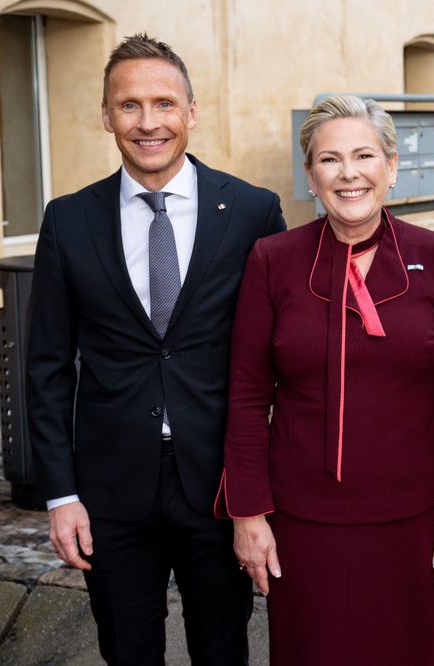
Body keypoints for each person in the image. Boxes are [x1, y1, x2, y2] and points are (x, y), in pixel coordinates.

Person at [26, 34, 286, 664]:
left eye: (164, 104)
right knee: (126, 650)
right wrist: (61, 496)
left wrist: (267, 487)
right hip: (109, 490)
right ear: (107, 115)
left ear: (191, 112)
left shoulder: (251, 212)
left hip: (219, 485)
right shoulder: (68, 220)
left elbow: (281, 359)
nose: (149, 123)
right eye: (130, 106)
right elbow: (47, 369)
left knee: (223, 648)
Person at [217, 95, 434, 665]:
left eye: (364, 155)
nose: (349, 173)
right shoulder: (272, 259)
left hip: (413, 521)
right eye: (330, 160)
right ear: (310, 176)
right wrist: (248, 512)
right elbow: (247, 396)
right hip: (300, 522)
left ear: (392, 166)